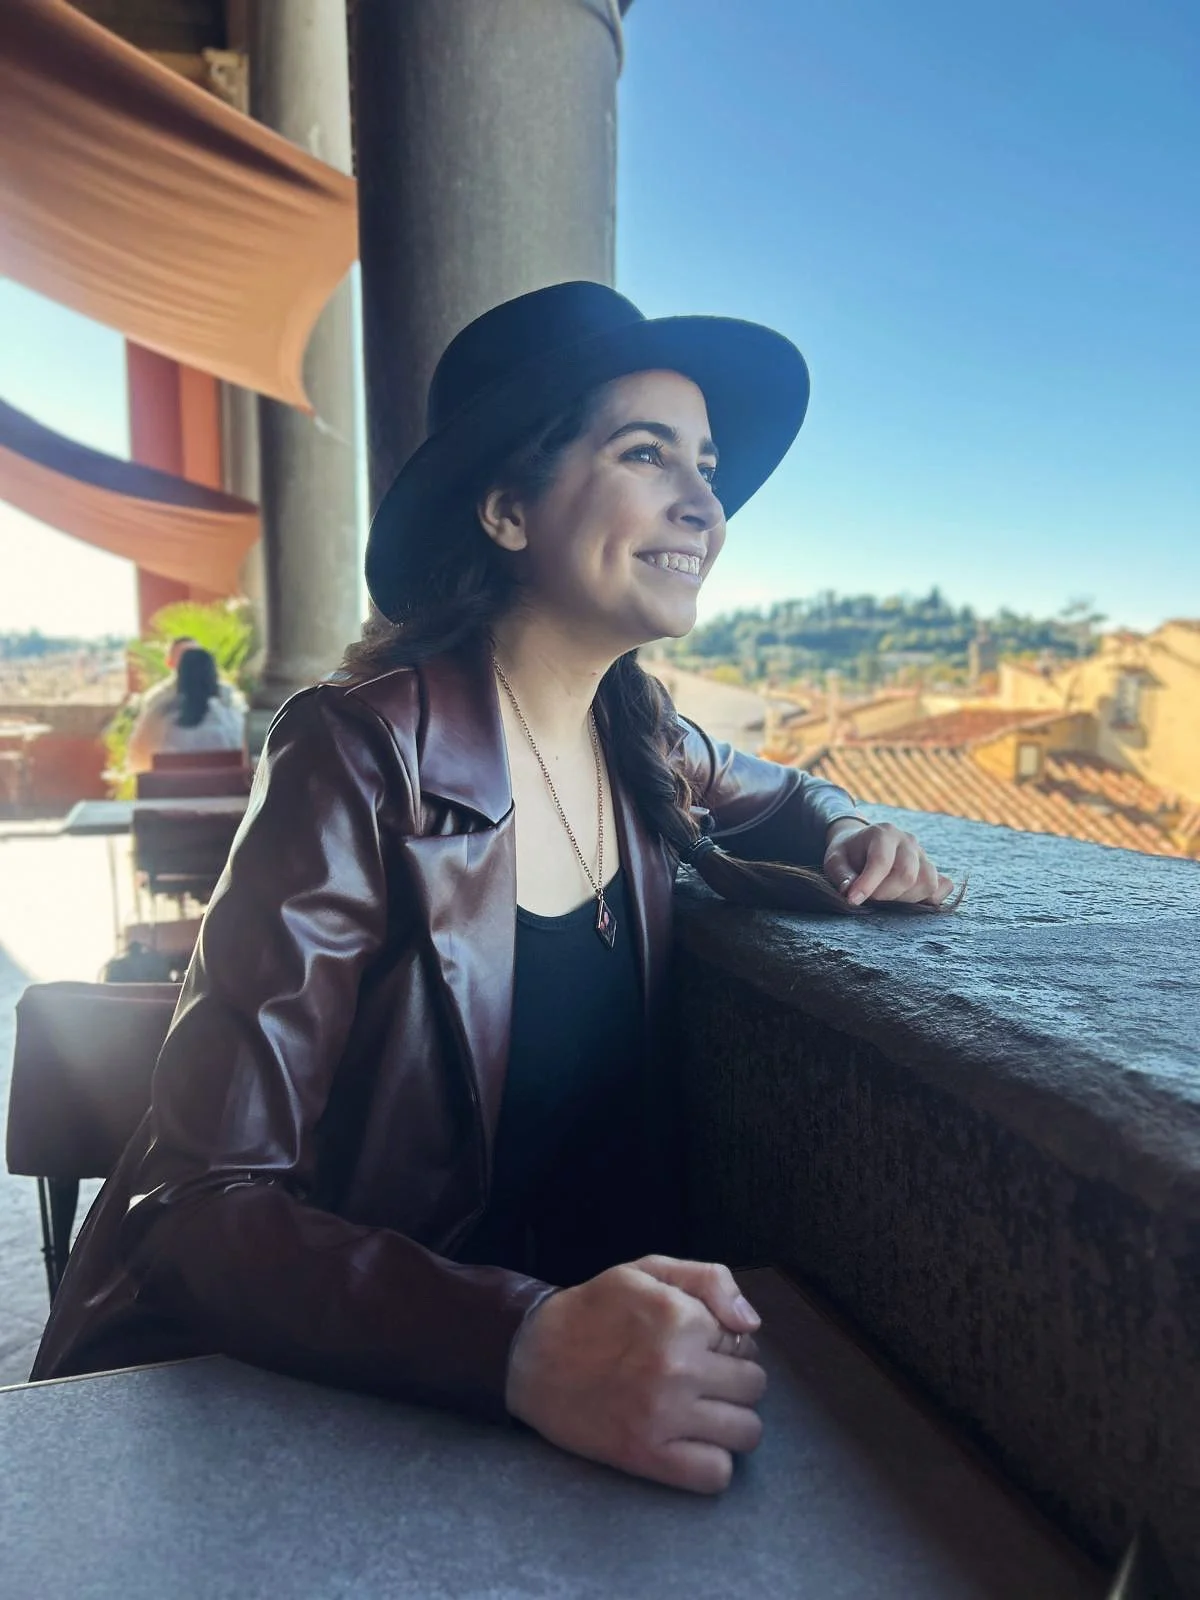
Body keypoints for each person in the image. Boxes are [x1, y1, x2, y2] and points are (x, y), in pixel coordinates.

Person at [35, 283, 954, 1496]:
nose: (706, 504)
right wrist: (517, 1340)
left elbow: (787, 795)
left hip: (552, 1396)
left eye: (709, 466)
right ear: (509, 508)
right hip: (326, 1409)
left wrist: (854, 830)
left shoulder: (639, 732)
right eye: (646, 453)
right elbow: (199, 1207)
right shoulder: (358, 754)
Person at [125, 645, 246, 773]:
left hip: (172, 791)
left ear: (180, 675)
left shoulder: (159, 715)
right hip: (224, 791)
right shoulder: (230, 716)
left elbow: (137, 760)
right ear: (213, 675)